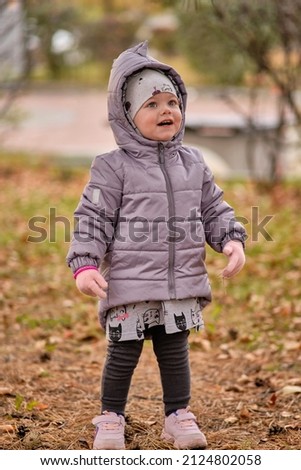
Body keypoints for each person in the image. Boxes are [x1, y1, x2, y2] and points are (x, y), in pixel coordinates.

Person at [66, 41, 246, 450]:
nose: (166, 111)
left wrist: (231, 240)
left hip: (180, 280)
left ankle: (177, 416)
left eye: (171, 101)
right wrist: (85, 263)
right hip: (129, 281)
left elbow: (214, 207)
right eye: (151, 104)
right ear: (127, 116)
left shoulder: (194, 162)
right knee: (124, 350)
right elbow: (92, 218)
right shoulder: (112, 167)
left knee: (174, 350)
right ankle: (111, 418)